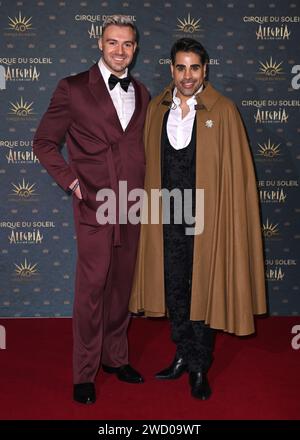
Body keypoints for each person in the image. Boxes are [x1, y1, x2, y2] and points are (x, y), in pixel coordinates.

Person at [130, 38, 267, 400]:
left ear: (205, 69)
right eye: (180, 67)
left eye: (194, 68)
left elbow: (234, 176)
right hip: (168, 214)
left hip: (208, 218)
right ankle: (181, 354)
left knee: (202, 291)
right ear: (170, 69)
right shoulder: (157, 109)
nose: (187, 76)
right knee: (175, 288)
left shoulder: (222, 110)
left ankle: (199, 366)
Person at [33, 15, 150, 404]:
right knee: (91, 291)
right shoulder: (73, 88)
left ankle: (116, 358)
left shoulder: (143, 91)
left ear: (135, 48)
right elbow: (44, 142)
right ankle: (84, 372)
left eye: (127, 44)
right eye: (113, 43)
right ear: (100, 44)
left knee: (121, 288)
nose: (120, 51)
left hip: (133, 204)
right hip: (95, 204)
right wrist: (72, 183)